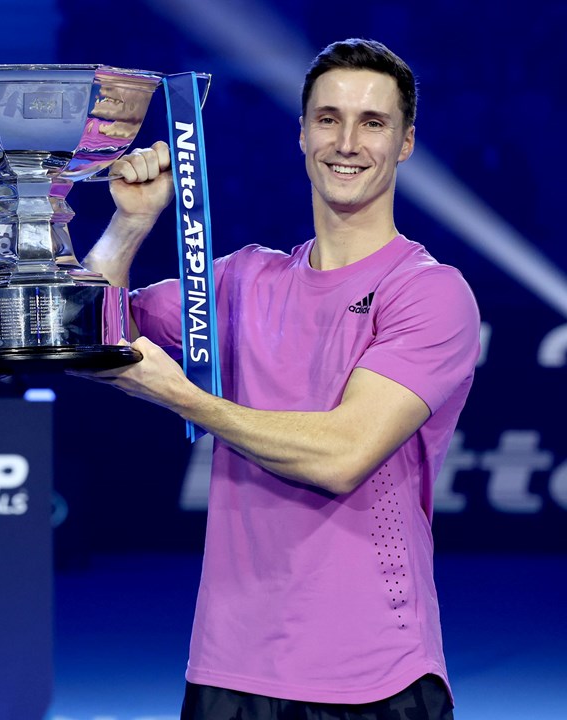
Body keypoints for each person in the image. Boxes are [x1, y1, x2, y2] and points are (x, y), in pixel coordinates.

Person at [78, 39, 479, 719]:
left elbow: (342, 454)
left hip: (372, 678)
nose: (347, 142)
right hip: (228, 671)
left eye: (372, 123)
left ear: (406, 143)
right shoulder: (242, 280)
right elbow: (91, 338)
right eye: (328, 119)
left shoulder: (429, 292)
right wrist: (129, 226)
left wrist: (187, 399)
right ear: (301, 132)